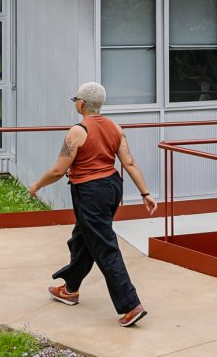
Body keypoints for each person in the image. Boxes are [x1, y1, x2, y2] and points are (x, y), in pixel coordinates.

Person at [29, 82, 157, 327]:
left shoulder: (77, 131)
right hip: (112, 187)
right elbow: (129, 163)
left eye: (75, 100)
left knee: (105, 247)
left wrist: (36, 186)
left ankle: (131, 305)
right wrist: (145, 192)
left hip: (90, 192)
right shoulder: (116, 128)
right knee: (82, 238)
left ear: (81, 104)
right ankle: (70, 289)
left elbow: (58, 170)